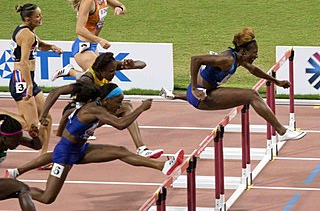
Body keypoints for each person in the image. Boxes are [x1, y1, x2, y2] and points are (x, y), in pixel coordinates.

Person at [6, 83, 184, 205]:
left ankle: (164, 166)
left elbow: (112, 118)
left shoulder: (100, 107)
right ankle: (14, 190)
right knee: (47, 197)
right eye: (118, 102)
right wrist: (141, 108)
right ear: (106, 100)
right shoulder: (94, 109)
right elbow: (121, 125)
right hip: (67, 153)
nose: (120, 105)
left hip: (80, 148)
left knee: (121, 151)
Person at [160, 27, 306, 142]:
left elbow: (253, 69)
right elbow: (195, 59)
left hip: (206, 92)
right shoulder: (227, 60)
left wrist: (276, 82)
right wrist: (194, 88)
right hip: (201, 97)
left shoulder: (238, 58)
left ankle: (175, 95)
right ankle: (283, 132)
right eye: (254, 53)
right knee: (251, 95)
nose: (256, 55)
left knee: (249, 95)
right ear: (242, 51)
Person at [42, 52, 163, 158]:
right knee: (125, 108)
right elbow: (55, 92)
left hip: (93, 111)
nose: (114, 73)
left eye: (115, 69)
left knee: (126, 106)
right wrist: (43, 115)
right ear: (100, 71)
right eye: (111, 71)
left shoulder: (109, 67)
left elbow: (142, 64)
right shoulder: (86, 81)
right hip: (77, 115)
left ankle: (141, 149)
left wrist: (131, 64)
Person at [0, 4, 63, 160]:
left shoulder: (27, 31)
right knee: (30, 126)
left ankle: (43, 156)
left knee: (46, 118)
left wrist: (52, 46)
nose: (40, 18)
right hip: (22, 80)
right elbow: (23, 63)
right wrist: (28, 85)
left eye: (40, 15)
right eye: (37, 16)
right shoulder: (26, 35)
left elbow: (38, 44)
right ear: (28, 19)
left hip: (28, 79)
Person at [51, 0, 127, 81]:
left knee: (92, 80)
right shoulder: (88, 0)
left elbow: (121, 6)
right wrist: (99, 40)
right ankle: (71, 72)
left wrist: (119, 9)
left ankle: (70, 72)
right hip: (83, 47)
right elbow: (79, 29)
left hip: (93, 46)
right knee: (100, 80)